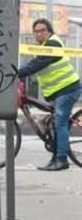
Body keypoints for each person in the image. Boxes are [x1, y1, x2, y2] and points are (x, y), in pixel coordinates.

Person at [17, 18, 82, 171]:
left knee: (60, 122)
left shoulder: (53, 44)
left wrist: (17, 73)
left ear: (49, 31)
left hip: (68, 89)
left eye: (42, 30)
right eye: (36, 31)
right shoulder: (42, 47)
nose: (39, 34)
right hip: (57, 91)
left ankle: (61, 160)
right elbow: (33, 65)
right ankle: (54, 159)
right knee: (54, 123)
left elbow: (37, 64)